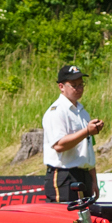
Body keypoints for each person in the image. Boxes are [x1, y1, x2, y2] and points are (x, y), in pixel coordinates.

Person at [43, 65, 103, 204]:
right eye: (74, 85)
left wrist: (93, 180)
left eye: (81, 84)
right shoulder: (56, 111)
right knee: (64, 216)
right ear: (61, 87)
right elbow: (59, 145)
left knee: (86, 216)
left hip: (84, 174)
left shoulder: (83, 112)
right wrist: (86, 131)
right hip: (64, 175)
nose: (78, 89)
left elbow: (88, 149)